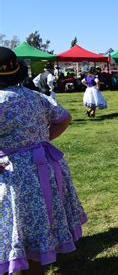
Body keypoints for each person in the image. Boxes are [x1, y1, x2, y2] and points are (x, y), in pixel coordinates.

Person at [0, 47, 87, 274]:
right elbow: (65, 119)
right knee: (37, 221)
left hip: (13, 173)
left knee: (15, 220)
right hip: (43, 167)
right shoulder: (36, 97)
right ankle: (36, 264)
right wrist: (37, 141)